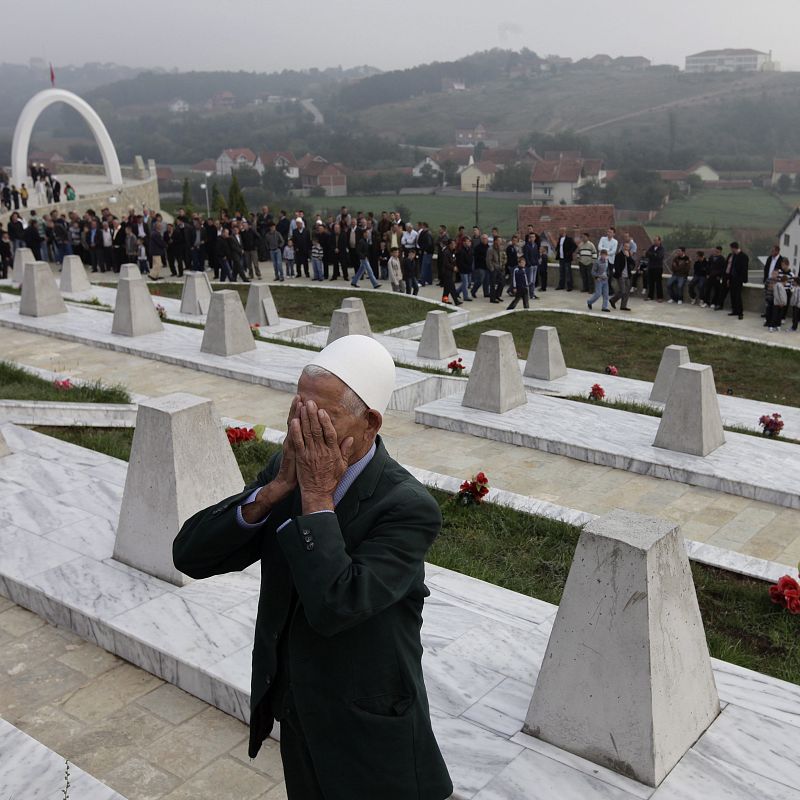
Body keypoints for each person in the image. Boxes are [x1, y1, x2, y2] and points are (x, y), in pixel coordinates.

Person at [173, 335, 453, 800]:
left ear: (370, 423)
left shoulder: (406, 507)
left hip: (368, 726)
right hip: (299, 710)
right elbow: (190, 555)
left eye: (322, 416)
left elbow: (336, 606)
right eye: (297, 408)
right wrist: (271, 492)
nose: (303, 427)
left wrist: (317, 497)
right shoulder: (288, 470)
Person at [727, 241, 749, 319]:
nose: (731, 250)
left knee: (738, 296)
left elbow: (744, 269)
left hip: (738, 279)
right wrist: (729, 278)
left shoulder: (743, 256)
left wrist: (742, 279)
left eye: (731, 248)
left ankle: (740, 312)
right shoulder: (734, 256)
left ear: (734, 248)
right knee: (733, 295)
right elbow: (731, 268)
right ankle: (734, 310)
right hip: (732, 278)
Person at [609, 242, 634, 310]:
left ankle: (623, 306)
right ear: (623, 247)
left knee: (627, 291)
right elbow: (616, 265)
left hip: (627, 276)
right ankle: (613, 300)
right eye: (625, 247)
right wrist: (619, 273)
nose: (626, 248)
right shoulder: (619, 255)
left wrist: (628, 257)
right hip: (621, 276)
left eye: (628, 247)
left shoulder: (629, 255)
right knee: (623, 291)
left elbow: (633, 264)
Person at [440, 239, 461, 305]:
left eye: (455, 244)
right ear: (449, 245)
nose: (454, 245)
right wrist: (453, 267)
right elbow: (445, 263)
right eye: (453, 244)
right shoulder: (446, 252)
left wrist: (455, 266)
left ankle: (444, 300)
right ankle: (456, 301)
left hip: (450, 272)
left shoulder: (452, 252)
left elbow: (453, 260)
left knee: (447, 288)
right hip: (446, 272)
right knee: (452, 287)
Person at [644, 236, 665, 301]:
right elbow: (646, 254)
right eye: (654, 240)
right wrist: (653, 254)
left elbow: (659, 256)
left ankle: (660, 297)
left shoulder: (661, 248)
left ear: (659, 241)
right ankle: (650, 296)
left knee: (658, 283)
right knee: (651, 282)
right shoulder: (652, 247)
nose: (654, 242)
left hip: (658, 267)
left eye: (656, 240)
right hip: (651, 267)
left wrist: (652, 255)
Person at [487, 236, 506, 303]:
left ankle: (497, 295)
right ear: (495, 241)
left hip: (500, 268)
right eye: (499, 241)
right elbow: (489, 260)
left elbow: (503, 257)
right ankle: (492, 298)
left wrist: (503, 265)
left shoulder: (500, 248)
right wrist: (492, 268)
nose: (500, 242)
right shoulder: (490, 249)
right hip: (494, 268)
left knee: (502, 282)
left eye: (500, 241)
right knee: (493, 284)